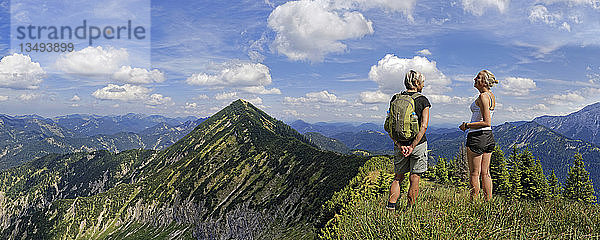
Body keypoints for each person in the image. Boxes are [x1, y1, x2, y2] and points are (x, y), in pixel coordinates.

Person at [386, 70, 431, 210]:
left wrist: (399, 144)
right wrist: (412, 146)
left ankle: (391, 207)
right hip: (418, 144)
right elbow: (423, 126)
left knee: (398, 177)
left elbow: (389, 125)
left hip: (400, 143)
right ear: (417, 83)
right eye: (422, 82)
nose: (423, 85)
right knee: (414, 177)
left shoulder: (395, 98)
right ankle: (410, 209)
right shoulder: (423, 100)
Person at [459, 70, 498, 201]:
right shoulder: (491, 96)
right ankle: (488, 203)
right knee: (485, 173)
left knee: (474, 174)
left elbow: (486, 121)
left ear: (485, 82)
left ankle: (474, 203)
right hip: (488, 136)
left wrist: (466, 125)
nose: (475, 78)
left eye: (479, 77)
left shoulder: (483, 97)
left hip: (477, 137)